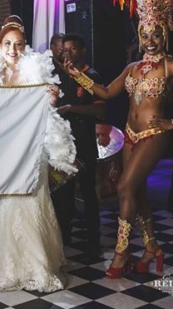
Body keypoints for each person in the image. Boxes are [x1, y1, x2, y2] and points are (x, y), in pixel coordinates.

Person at [64, 0, 173, 278]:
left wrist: (170, 124)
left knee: (125, 187)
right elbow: (107, 93)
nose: (150, 39)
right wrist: (77, 75)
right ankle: (152, 246)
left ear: (163, 32)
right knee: (135, 192)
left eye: (155, 33)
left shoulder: (169, 66)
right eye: (145, 33)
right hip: (130, 133)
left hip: (155, 135)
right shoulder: (132, 68)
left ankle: (122, 252)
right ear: (139, 34)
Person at [0, 15, 76, 292]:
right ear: (0, 45)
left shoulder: (36, 71)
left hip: (31, 148)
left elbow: (47, 111)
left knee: (32, 200)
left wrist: (51, 100)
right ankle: (8, 266)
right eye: (7, 43)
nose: (13, 50)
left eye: (18, 44)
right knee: (4, 204)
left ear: (25, 45)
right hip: (2, 150)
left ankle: (38, 265)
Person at [52, 33, 105, 255]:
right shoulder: (59, 77)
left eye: (73, 49)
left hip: (84, 141)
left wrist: (71, 108)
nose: (68, 53)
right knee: (62, 191)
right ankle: (63, 237)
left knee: (87, 191)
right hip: (62, 143)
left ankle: (93, 239)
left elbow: (99, 110)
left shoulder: (91, 76)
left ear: (82, 50)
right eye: (65, 50)